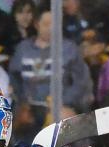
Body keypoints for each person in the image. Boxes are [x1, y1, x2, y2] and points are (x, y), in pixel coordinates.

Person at [9, 9, 92, 137]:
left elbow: (80, 81)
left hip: (61, 105)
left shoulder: (69, 48)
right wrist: (22, 102)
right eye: (46, 24)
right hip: (30, 107)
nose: (51, 28)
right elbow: (14, 78)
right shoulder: (23, 48)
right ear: (37, 24)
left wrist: (65, 102)